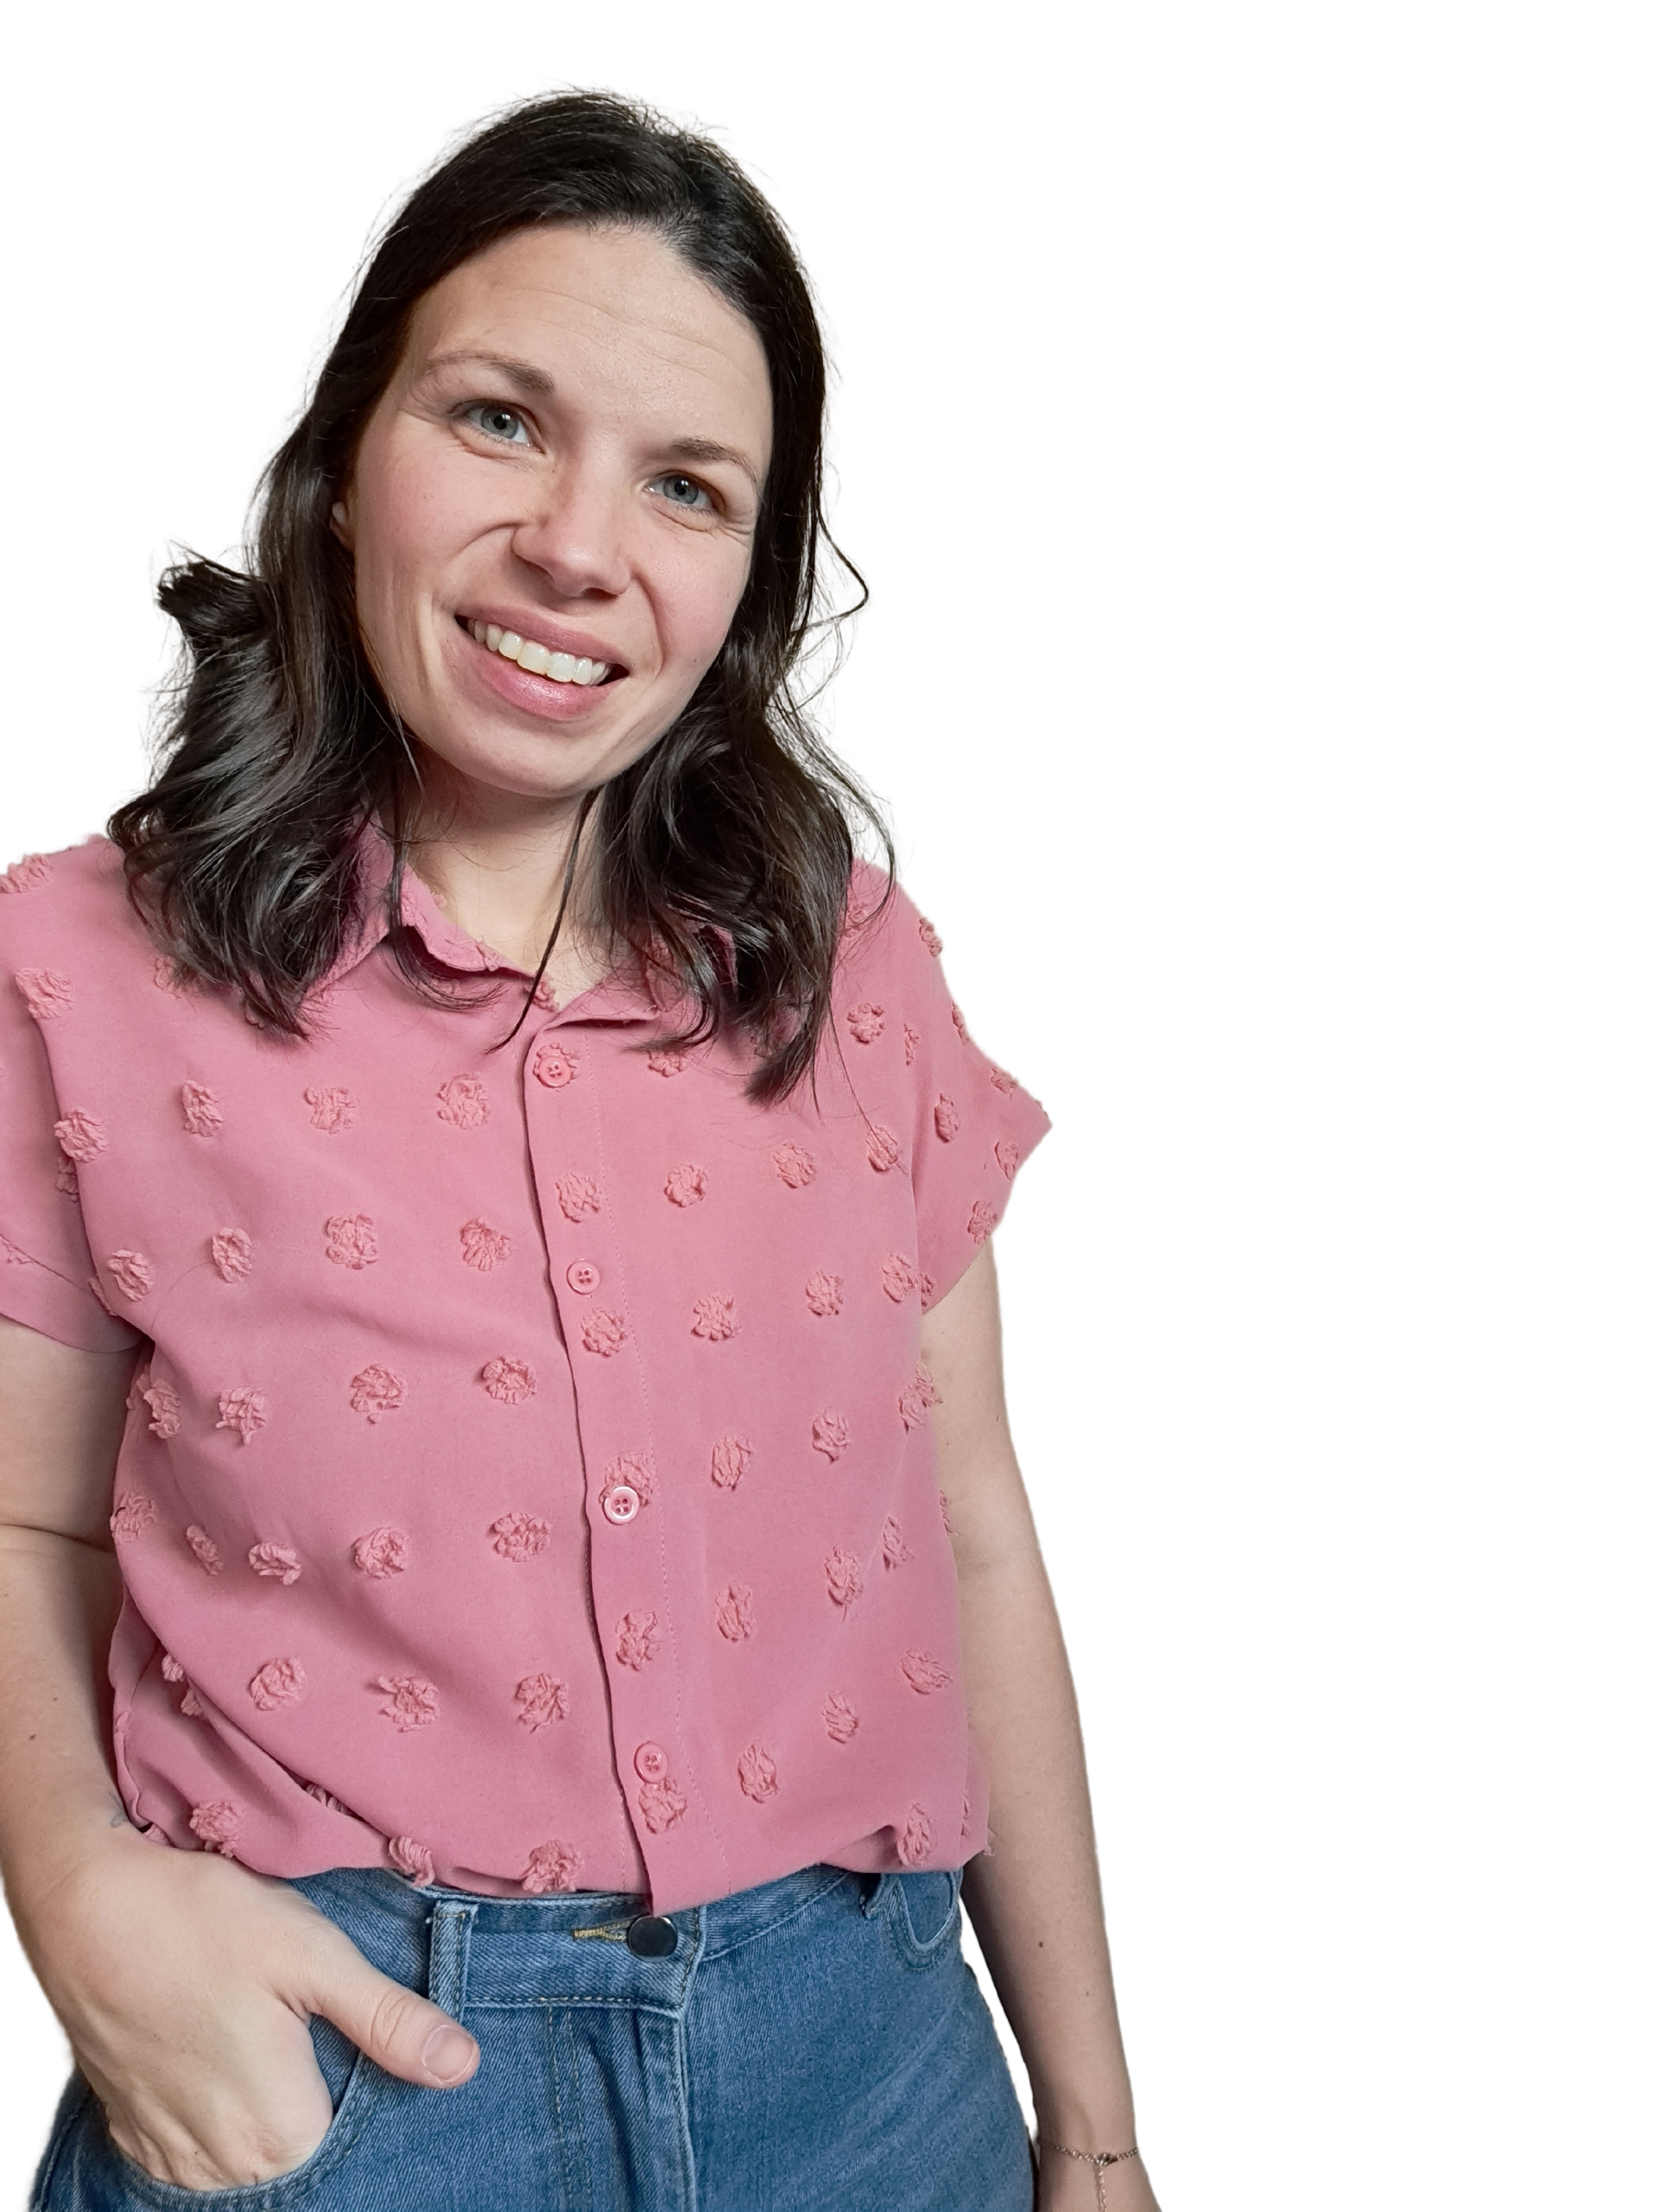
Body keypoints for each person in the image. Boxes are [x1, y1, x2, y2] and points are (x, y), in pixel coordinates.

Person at [0, 78, 1161, 2212]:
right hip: (327, 2079)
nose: (578, 548)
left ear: (745, 577)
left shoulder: (853, 960)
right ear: (349, 457)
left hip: (874, 2079)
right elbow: (21, 1531)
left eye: (689, 485)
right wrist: (78, 1893)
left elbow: (975, 1533)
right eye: (499, 419)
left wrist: (1090, 2135)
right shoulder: (72, 958)